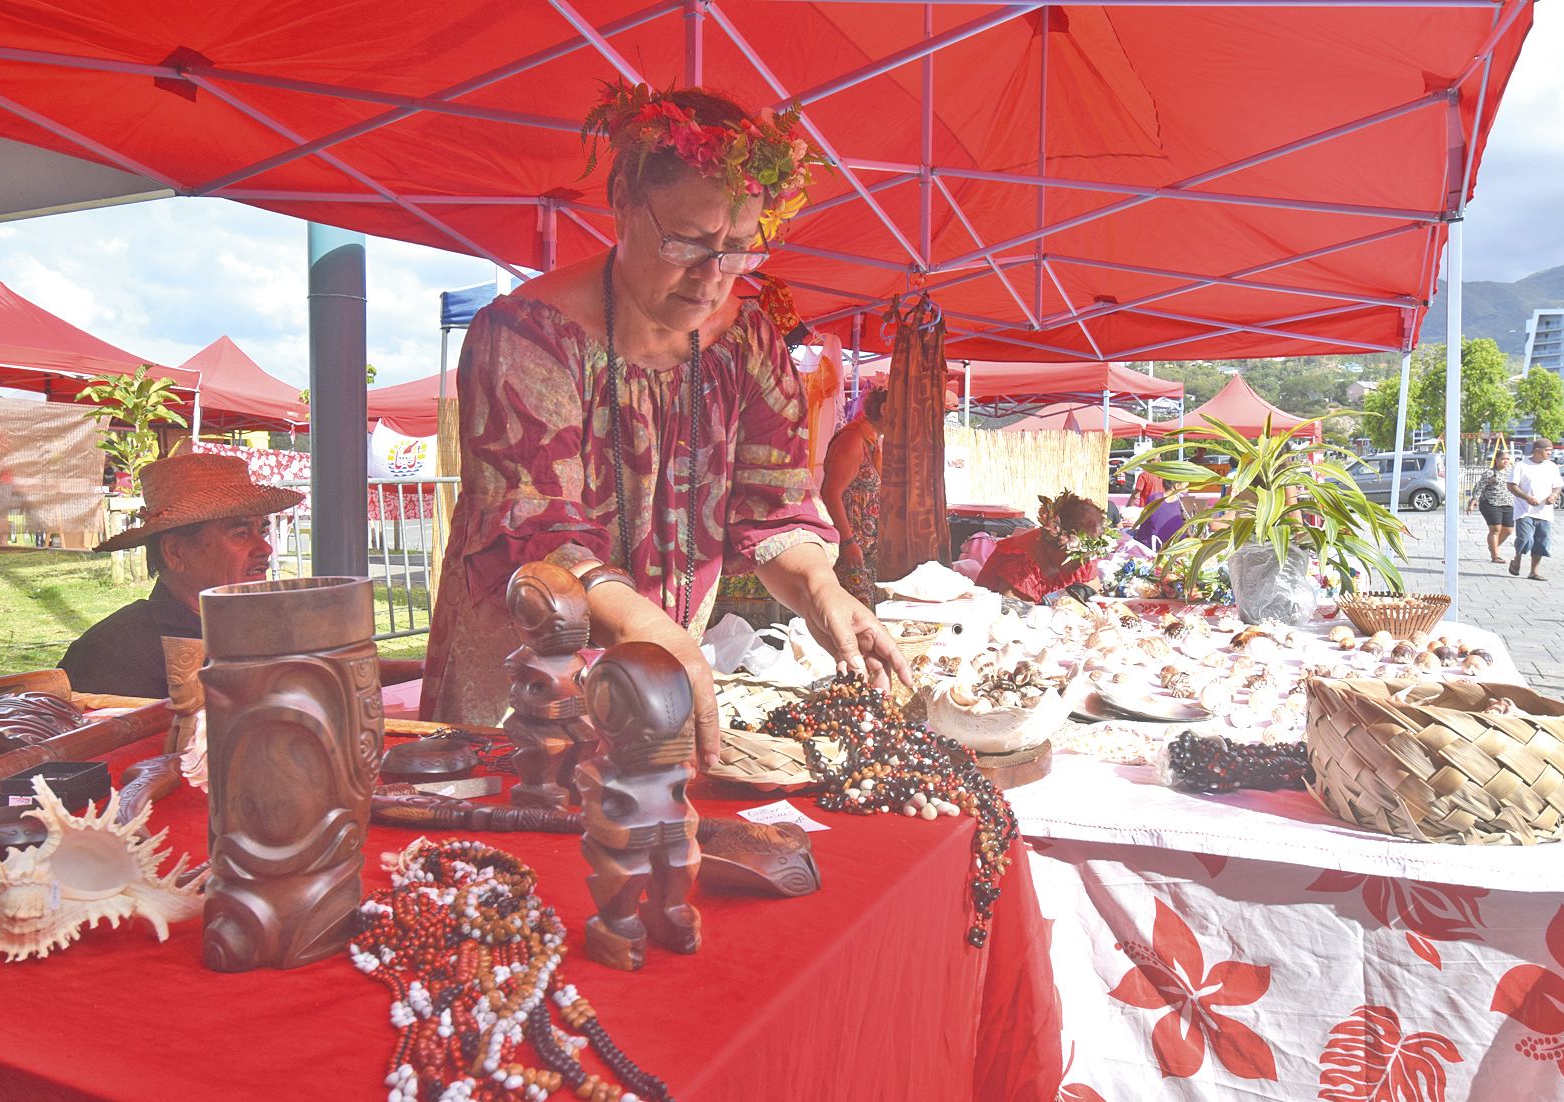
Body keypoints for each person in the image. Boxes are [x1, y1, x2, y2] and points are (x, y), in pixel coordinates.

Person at [420, 82, 910, 762]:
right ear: (621, 201)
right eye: (687, 242)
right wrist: (654, 634)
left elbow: (772, 514)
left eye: (740, 249)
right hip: (526, 677)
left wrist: (821, 589)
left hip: (663, 669)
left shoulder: (751, 347)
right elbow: (537, 537)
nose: (713, 278)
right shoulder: (529, 338)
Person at [59, 453, 302, 698]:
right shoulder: (113, 654)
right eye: (240, 533)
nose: (265, 548)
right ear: (174, 552)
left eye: (261, 530)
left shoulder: (260, 627)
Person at [976, 490, 1109, 603]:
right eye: (1078, 556)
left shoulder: (1080, 557)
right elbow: (1014, 613)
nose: (1084, 564)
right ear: (1052, 545)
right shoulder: (1021, 562)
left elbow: (1093, 597)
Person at [820, 387, 885, 608]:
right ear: (885, 410)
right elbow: (830, 493)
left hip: (866, 551)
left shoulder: (871, 440)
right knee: (858, 617)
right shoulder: (853, 440)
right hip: (851, 549)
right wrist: (847, 542)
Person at [1508, 437, 1564, 581]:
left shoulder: (1552, 466)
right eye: (1547, 450)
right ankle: (1517, 559)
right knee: (1525, 539)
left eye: (1551, 451)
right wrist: (1526, 497)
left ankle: (1534, 571)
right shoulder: (1521, 465)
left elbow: (1558, 485)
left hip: (1544, 511)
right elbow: (1511, 485)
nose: (1550, 453)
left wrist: (1554, 495)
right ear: (1537, 451)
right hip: (1525, 510)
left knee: (1541, 541)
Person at [1468, 449, 1515, 563]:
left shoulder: (1511, 473)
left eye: (1508, 459)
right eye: (1503, 459)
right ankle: (1495, 556)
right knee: (1495, 529)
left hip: (1508, 503)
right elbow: (1480, 487)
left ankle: (1493, 546)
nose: (1506, 461)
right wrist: (1473, 501)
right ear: (1497, 460)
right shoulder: (1490, 473)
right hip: (1491, 503)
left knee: (1508, 530)